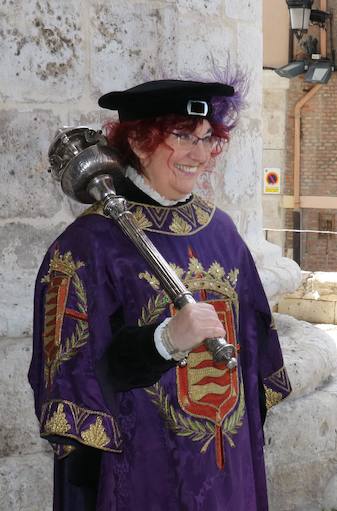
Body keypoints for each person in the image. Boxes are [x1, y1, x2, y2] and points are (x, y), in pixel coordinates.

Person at [29, 79, 292, 510]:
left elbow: (254, 359)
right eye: (184, 136)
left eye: (208, 139)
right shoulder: (88, 245)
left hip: (228, 473)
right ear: (138, 139)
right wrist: (164, 341)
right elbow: (70, 380)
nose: (200, 154)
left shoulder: (222, 232)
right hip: (141, 476)